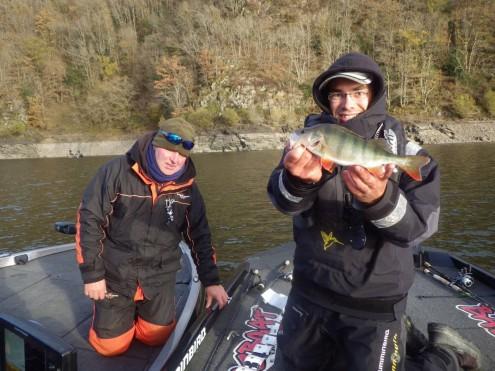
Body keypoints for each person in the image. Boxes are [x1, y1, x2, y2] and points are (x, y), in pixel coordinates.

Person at [268, 52, 481, 370]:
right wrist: (297, 182)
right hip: (310, 291)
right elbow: (283, 202)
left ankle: (446, 354)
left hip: (375, 302)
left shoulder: (408, 154)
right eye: (338, 94)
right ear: (327, 99)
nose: (346, 103)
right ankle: (407, 334)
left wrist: (380, 200)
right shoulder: (308, 143)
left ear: (374, 95)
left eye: (357, 93)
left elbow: (417, 229)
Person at [76, 117, 229, 356]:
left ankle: (144, 314)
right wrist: (93, 276)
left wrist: (211, 281)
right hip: (116, 275)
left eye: (181, 154)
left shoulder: (188, 187)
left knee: (156, 339)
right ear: (154, 144)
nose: (174, 159)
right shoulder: (116, 171)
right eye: (168, 149)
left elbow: (199, 234)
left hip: (159, 276)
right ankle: (115, 315)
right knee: (109, 349)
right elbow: (89, 221)